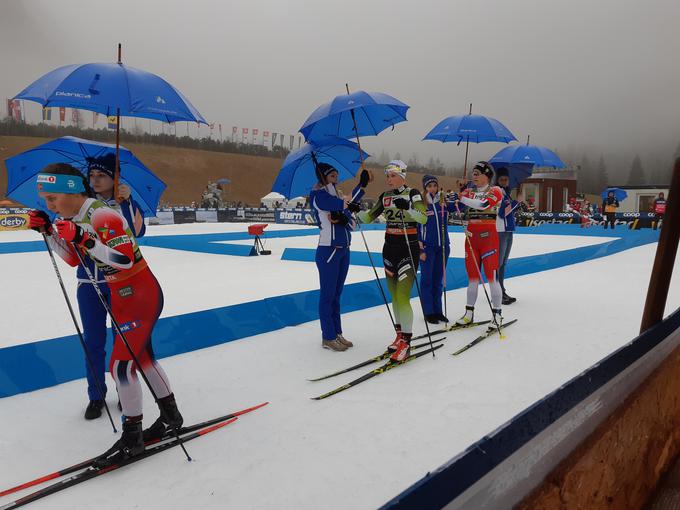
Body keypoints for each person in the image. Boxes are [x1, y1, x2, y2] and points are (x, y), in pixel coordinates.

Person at [28, 163, 182, 463]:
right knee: (144, 360)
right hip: (123, 294)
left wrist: (84, 238)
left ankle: (132, 438)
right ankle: (171, 416)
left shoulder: (102, 214)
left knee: (122, 368)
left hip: (139, 293)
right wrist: (49, 231)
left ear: (72, 190)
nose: (49, 205)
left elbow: (124, 258)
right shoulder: (76, 215)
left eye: (52, 198)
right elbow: (74, 259)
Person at [70, 154, 147, 420]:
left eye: (101, 176)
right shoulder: (79, 206)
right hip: (88, 283)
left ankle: (124, 394)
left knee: (122, 342)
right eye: (91, 176)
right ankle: (96, 395)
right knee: (93, 342)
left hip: (119, 285)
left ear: (114, 178)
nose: (95, 181)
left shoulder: (125, 202)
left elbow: (136, 234)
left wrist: (125, 204)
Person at [357, 160, 427, 362]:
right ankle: (399, 335)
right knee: (394, 296)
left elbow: (423, 218)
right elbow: (369, 217)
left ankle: (406, 343)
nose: (389, 179)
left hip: (408, 247)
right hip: (389, 248)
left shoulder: (413, 193)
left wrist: (408, 209)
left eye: (393, 175)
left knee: (403, 296)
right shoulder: (385, 196)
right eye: (387, 176)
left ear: (402, 175)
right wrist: (355, 209)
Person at [309, 162, 370, 351]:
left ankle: (337, 333)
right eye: (332, 175)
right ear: (323, 176)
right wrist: (349, 205)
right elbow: (339, 204)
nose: (336, 178)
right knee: (327, 295)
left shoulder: (336, 195)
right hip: (328, 250)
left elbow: (351, 222)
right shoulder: (318, 196)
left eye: (336, 174)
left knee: (336, 295)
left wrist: (362, 184)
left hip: (344, 249)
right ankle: (328, 336)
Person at [453, 161, 504, 332]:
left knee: (491, 278)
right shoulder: (468, 191)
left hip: (489, 238)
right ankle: (469, 313)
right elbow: (457, 206)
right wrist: (457, 195)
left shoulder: (495, 190)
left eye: (477, 173)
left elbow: (483, 205)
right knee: (472, 278)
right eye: (473, 173)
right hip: (471, 238)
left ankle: (497, 314)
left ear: (487, 175)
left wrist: (463, 197)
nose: (473, 176)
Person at [418, 174, 457, 324]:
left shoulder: (443, 202)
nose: (433, 188)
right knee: (427, 280)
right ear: (425, 188)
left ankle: (438, 310)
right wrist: (420, 249)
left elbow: (458, 207)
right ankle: (428, 312)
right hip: (428, 247)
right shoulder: (421, 204)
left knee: (438, 280)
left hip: (443, 247)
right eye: (429, 186)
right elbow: (417, 227)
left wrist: (460, 193)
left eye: (434, 185)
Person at [494, 168, 518, 305]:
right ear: (497, 180)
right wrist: (516, 202)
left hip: (508, 230)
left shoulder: (506, 193)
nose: (504, 181)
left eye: (506, 179)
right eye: (502, 179)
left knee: (503, 263)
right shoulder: (497, 192)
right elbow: (502, 213)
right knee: (499, 263)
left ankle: (501, 290)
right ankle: (497, 291)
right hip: (501, 230)